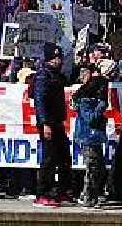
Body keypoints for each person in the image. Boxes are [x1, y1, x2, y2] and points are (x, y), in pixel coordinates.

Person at [30, 43, 69, 207]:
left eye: (59, 57)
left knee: (64, 157)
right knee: (49, 158)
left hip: (57, 121)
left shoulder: (57, 75)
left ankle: (61, 191)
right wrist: (45, 123)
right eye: (54, 58)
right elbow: (40, 101)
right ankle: (42, 193)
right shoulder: (42, 76)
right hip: (48, 122)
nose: (58, 61)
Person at [71, 63, 109, 208]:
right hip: (88, 137)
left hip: (94, 138)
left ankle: (90, 194)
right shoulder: (85, 102)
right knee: (92, 168)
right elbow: (91, 118)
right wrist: (101, 107)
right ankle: (88, 197)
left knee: (98, 167)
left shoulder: (89, 101)